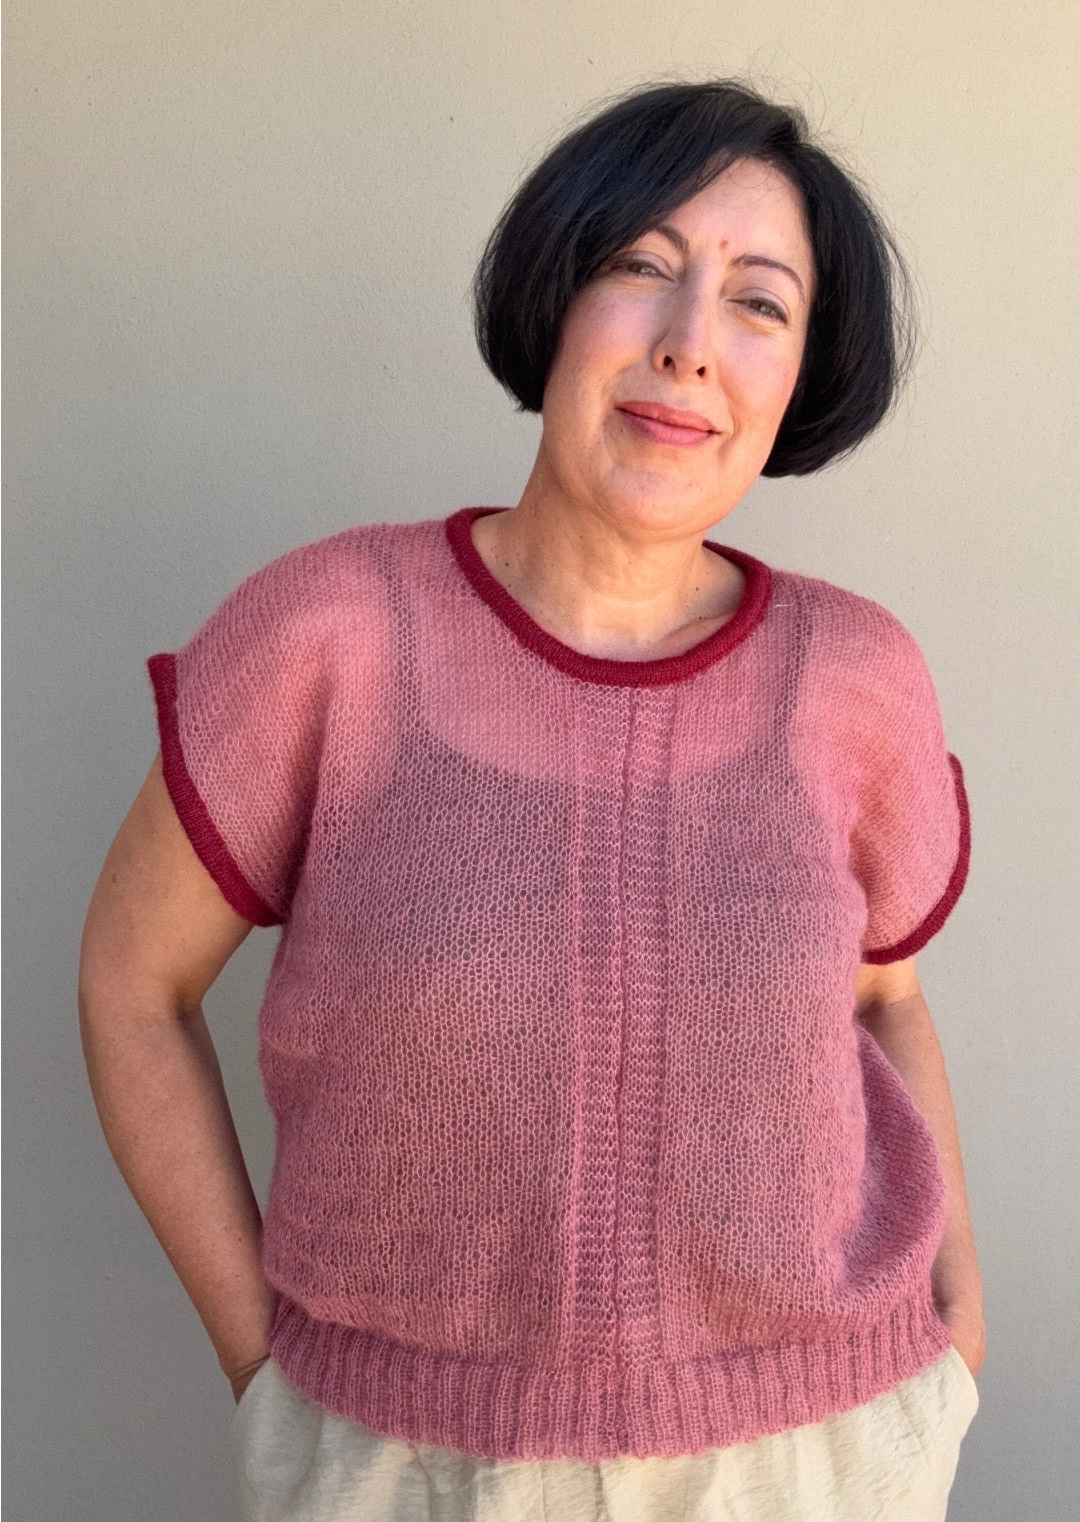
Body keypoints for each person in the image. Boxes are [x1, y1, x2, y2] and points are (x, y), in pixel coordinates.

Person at [78, 79, 985, 1521]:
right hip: (410, 1466)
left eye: (761, 303)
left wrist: (959, 1339)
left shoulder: (858, 676)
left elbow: (883, 999)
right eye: (640, 267)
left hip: (818, 1458)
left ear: (806, 370)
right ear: (555, 293)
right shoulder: (329, 632)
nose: (691, 347)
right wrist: (266, 1375)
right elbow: (132, 985)